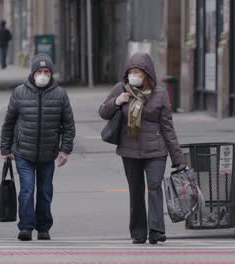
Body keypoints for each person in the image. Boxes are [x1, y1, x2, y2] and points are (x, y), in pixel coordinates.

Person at [99, 52, 186, 245]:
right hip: (129, 150)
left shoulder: (160, 94)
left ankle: (156, 230)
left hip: (156, 150)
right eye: (131, 72)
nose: (134, 75)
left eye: (138, 72)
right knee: (136, 190)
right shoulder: (120, 89)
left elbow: (167, 127)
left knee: (154, 187)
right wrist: (117, 101)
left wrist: (178, 159)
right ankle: (138, 232)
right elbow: (103, 112)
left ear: (147, 74)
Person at [0, 54, 75, 241]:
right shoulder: (19, 93)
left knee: (44, 191)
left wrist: (65, 150)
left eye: (46, 72)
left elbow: (68, 125)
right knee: (27, 189)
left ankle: (43, 227)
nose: (43, 75)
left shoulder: (60, 94)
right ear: (33, 73)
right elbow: (8, 122)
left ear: (51, 74)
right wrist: (5, 149)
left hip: (48, 154)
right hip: (23, 152)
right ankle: (25, 227)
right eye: (39, 71)